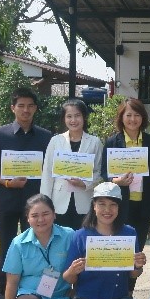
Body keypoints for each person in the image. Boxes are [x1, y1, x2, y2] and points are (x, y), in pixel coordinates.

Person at [62, 182, 147, 299]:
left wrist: (138, 265)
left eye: (113, 204)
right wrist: (73, 271)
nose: (107, 210)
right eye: (102, 204)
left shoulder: (129, 233)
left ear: (119, 207)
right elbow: (67, 278)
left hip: (118, 298)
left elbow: (133, 275)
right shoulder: (80, 235)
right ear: (93, 206)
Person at [0, 88, 52, 292]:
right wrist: (6, 182)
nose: (26, 110)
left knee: (39, 248)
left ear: (36, 108)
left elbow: (54, 167)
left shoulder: (46, 137)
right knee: (7, 248)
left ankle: (38, 293)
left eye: (30, 106)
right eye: (21, 105)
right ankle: (4, 297)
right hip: (7, 201)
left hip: (37, 204)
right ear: (13, 108)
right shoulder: (0, 134)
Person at [102, 97, 150, 299]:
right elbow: (104, 173)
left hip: (143, 207)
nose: (132, 119)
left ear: (142, 117)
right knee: (118, 250)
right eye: (128, 115)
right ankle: (115, 294)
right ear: (121, 118)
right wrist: (116, 181)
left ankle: (129, 296)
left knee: (136, 251)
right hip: (120, 207)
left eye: (136, 115)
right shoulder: (112, 142)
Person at [2, 194, 75, 299]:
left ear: (54, 214)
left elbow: (81, 264)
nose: (41, 219)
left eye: (46, 214)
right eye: (35, 215)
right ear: (27, 219)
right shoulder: (18, 243)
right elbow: (11, 282)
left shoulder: (69, 236)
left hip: (58, 297)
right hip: (30, 295)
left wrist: (75, 290)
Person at [40, 98, 103, 230]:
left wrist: (85, 183)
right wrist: (45, 205)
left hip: (85, 201)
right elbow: (47, 174)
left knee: (82, 242)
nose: (73, 120)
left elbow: (99, 172)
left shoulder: (95, 142)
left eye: (77, 116)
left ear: (84, 117)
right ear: (64, 119)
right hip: (58, 202)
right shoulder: (55, 141)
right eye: (69, 116)